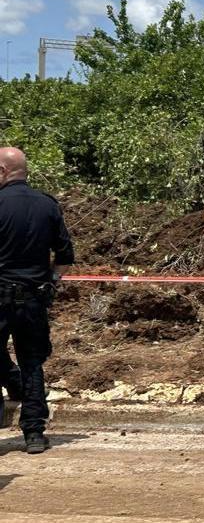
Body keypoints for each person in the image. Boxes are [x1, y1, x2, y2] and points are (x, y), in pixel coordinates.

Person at [0, 147, 74, 453]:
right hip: (33, 297)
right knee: (32, 363)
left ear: (3, 171)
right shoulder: (47, 205)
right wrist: (51, 283)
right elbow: (66, 256)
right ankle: (33, 433)